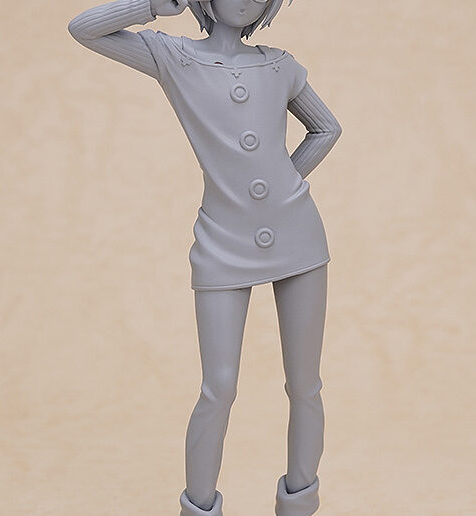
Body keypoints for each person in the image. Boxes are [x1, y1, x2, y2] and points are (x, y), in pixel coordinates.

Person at [68, 1, 342, 514]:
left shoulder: (280, 65)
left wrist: (285, 182)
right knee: (218, 388)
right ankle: (198, 508)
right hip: (222, 241)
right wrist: (153, 5)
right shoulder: (176, 57)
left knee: (305, 385)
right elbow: (83, 29)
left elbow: (326, 128)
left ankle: (300, 505)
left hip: (299, 237)